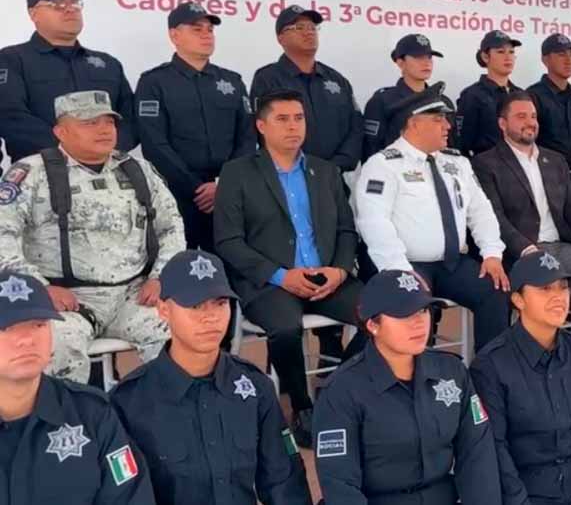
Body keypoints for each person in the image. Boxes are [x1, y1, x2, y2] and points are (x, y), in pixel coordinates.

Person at [213, 89, 363, 448]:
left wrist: (340, 271)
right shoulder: (237, 173)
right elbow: (228, 242)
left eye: (299, 118)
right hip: (270, 282)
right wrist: (281, 276)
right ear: (261, 126)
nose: (293, 126)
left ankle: (337, 391)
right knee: (284, 329)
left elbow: (346, 230)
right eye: (282, 119)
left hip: (327, 277)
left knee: (383, 315)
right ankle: (302, 406)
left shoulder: (325, 171)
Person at [0, 90, 184, 383]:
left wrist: (160, 276)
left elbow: (171, 226)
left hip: (133, 295)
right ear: (60, 132)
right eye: (89, 123)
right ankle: (70, 413)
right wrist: (39, 288)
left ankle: (163, 409)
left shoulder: (137, 169)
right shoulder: (31, 173)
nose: (104, 130)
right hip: (67, 300)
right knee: (55, 344)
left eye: (109, 122)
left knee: (181, 332)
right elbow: (2, 237)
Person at [110, 250, 311, 505]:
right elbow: (124, 496)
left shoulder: (254, 388)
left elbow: (285, 485)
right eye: (195, 306)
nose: (211, 317)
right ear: (164, 310)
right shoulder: (129, 402)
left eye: (220, 303)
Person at [313, 270, 502, 504]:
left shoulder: (452, 372)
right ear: (373, 324)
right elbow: (340, 486)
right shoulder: (342, 391)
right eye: (404, 314)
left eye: (423, 310)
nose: (419, 323)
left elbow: (478, 456)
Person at [353, 84, 511, 352]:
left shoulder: (456, 163)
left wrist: (492, 253)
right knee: (408, 306)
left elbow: (480, 211)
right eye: (438, 119)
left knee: (496, 290)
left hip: (452, 264)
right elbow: (374, 223)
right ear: (414, 123)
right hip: (406, 264)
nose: (447, 126)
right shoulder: (383, 165)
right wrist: (400, 270)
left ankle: (489, 370)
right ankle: (367, 370)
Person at [470, 250, 571, 505]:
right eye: (545, 289)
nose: (558, 297)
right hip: (526, 492)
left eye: (563, 287)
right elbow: (494, 448)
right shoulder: (491, 365)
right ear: (518, 300)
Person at [473, 92, 571, 337]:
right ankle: (532, 350)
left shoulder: (554, 160)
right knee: (541, 286)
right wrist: (526, 249)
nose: (530, 122)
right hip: (520, 251)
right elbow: (494, 218)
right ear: (502, 123)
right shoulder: (486, 163)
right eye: (521, 116)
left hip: (560, 247)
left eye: (533, 116)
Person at [0, 269, 154, 504]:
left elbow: (130, 496)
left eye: (38, 324)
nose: (26, 339)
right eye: (6, 327)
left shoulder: (92, 415)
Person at [135, 2, 255, 252]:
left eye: (210, 29)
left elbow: (247, 136)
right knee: (178, 266)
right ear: (174, 35)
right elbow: (154, 143)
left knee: (231, 264)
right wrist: (196, 188)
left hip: (227, 194)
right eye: (197, 29)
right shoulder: (154, 82)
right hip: (177, 194)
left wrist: (223, 185)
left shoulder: (232, 81)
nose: (206, 35)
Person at [0, 0, 137, 161]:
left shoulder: (108, 63)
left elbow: (130, 118)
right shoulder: (11, 59)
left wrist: (106, 150)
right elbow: (11, 117)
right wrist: (74, 150)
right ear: (33, 14)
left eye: (75, 3)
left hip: (107, 167)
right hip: (43, 167)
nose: (70, 9)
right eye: (57, 4)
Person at [249, 5, 362, 173]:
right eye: (299, 27)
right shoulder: (267, 79)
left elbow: (356, 127)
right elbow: (262, 131)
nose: (309, 32)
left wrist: (335, 166)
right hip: (287, 175)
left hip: (334, 176)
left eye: (312, 27)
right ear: (281, 38)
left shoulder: (337, 80)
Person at [361, 32, 455, 161]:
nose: (426, 63)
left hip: (436, 168)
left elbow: (452, 147)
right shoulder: (383, 101)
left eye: (429, 57)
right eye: (418, 57)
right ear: (400, 62)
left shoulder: (443, 102)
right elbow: (371, 149)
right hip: (395, 170)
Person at [457, 30, 523, 157]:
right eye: (500, 52)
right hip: (486, 165)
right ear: (485, 57)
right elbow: (463, 143)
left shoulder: (520, 94)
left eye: (511, 52)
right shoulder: (472, 95)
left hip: (520, 165)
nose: (508, 57)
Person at [527, 33, 571, 157]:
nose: (568, 60)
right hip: (547, 166)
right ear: (545, 59)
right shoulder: (533, 96)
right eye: (561, 55)